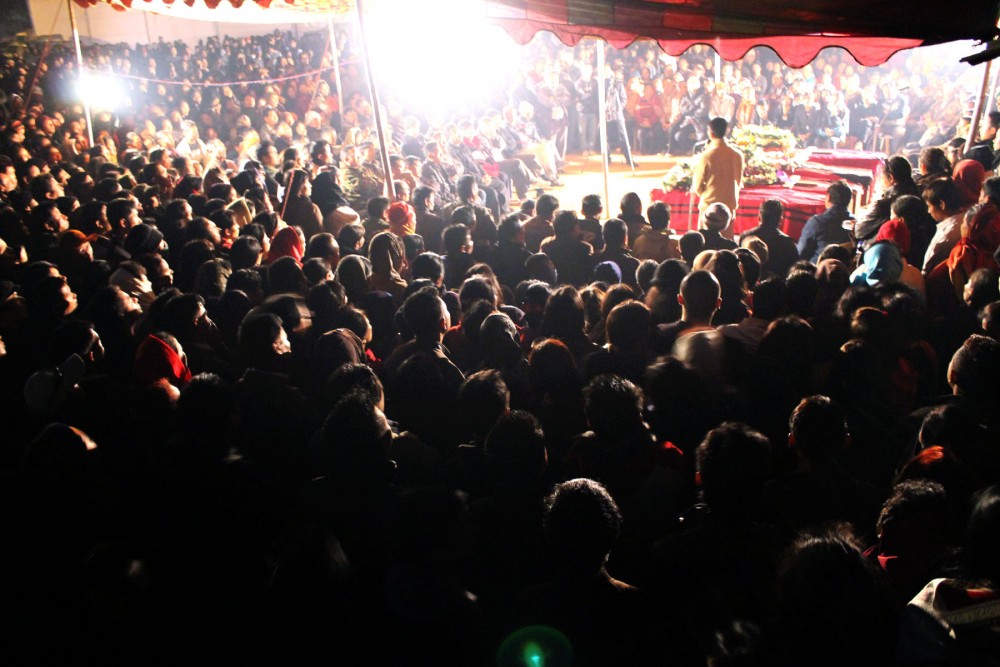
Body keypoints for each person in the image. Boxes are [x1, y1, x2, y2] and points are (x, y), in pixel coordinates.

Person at [692, 117, 745, 237]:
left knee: (706, 243)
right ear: (726, 131)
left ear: (710, 133)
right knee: (725, 245)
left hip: (709, 207)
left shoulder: (706, 156)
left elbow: (697, 186)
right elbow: (738, 181)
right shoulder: (737, 155)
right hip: (728, 207)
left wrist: (706, 195)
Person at [797, 181, 854, 263]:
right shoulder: (855, 224)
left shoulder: (817, 222)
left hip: (819, 270)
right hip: (845, 270)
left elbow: (801, 253)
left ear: (828, 197)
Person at [742, 199, 799, 278]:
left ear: (759, 216)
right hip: (777, 286)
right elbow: (794, 268)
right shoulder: (786, 242)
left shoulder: (745, 236)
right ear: (780, 219)